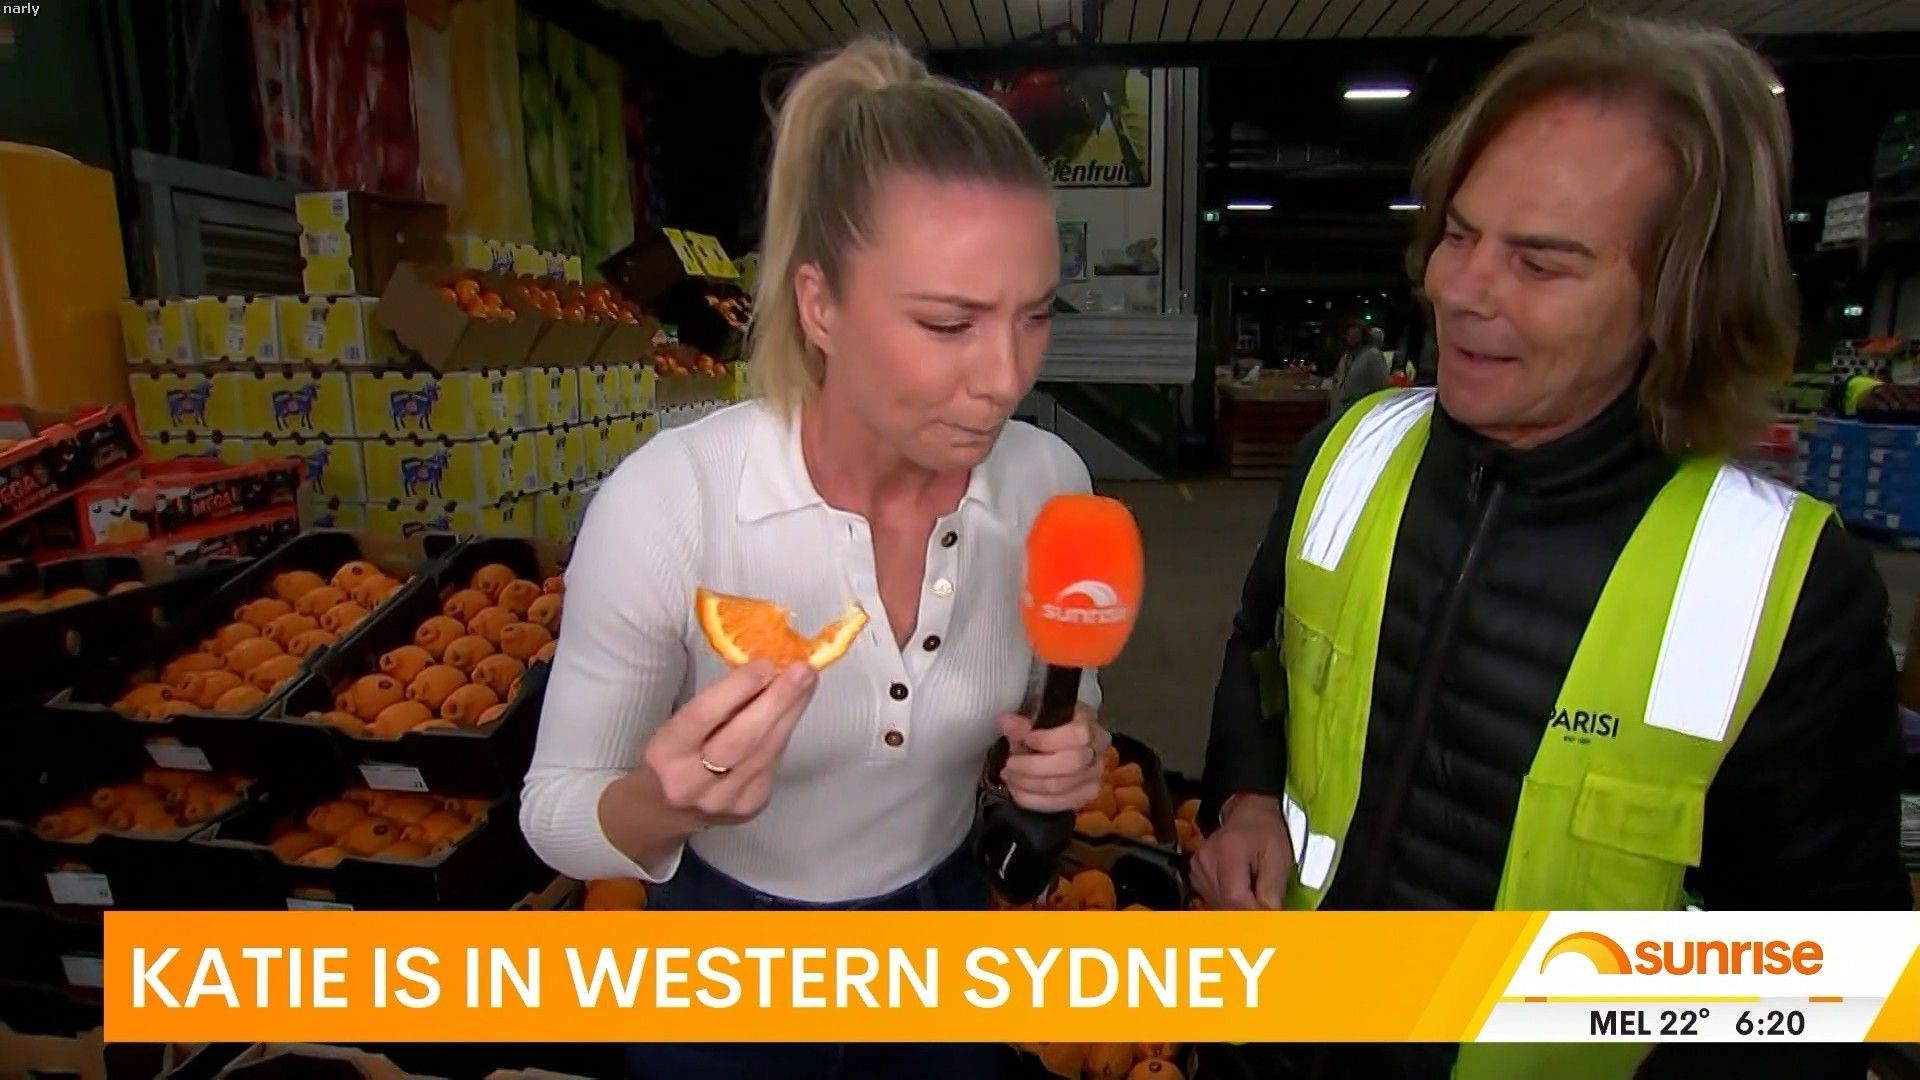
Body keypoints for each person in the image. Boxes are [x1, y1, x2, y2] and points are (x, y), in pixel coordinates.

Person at [1192, 16, 1905, 1080]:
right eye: (1460, 234)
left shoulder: (1782, 590)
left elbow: (1818, 990)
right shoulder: (1351, 455)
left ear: (1680, 298)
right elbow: (1263, 654)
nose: (1461, 289)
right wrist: (1246, 796)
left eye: (1541, 262)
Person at [520, 37, 1108, 1080]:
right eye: (948, 323)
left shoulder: (1050, 485)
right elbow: (554, 810)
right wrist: (664, 803)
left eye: (1035, 316)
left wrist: (1066, 750)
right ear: (820, 304)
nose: (1005, 377)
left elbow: (1065, 693)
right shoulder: (673, 504)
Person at [1331, 322, 1388, 405]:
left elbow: (1381, 384)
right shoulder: (1346, 357)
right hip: (1343, 406)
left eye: (1356, 334)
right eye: (1349, 334)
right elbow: (1338, 380)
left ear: (1363, 336)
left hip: (1363, 405)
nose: (1352, 338)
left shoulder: (1372, 355)